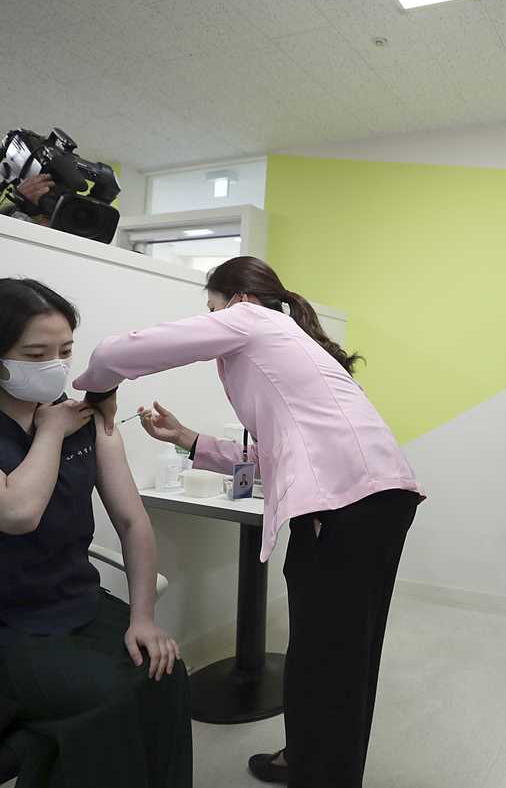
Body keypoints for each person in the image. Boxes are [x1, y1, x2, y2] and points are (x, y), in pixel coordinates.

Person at [72, 255, 425, 788]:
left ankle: (321, 773)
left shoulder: (251, 318)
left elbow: (114, 352)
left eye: (212, 308)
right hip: (373, 501)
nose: (213, 318)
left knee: (332, 660)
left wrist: (99, 390)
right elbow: (271, 456)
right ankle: (303, 756)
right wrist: (187, 439)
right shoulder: (289, 341)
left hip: (345, 506)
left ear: (237, 300)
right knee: (331, 651)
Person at [0, 278, 192, 788]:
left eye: (65, 351)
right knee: (104, 697)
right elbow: (17, 511)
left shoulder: (87, 419)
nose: (55, 366)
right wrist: (49, 433)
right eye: (35, 354)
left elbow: (132, 519)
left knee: (164, 671)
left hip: (75, 601)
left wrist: (144, 617)